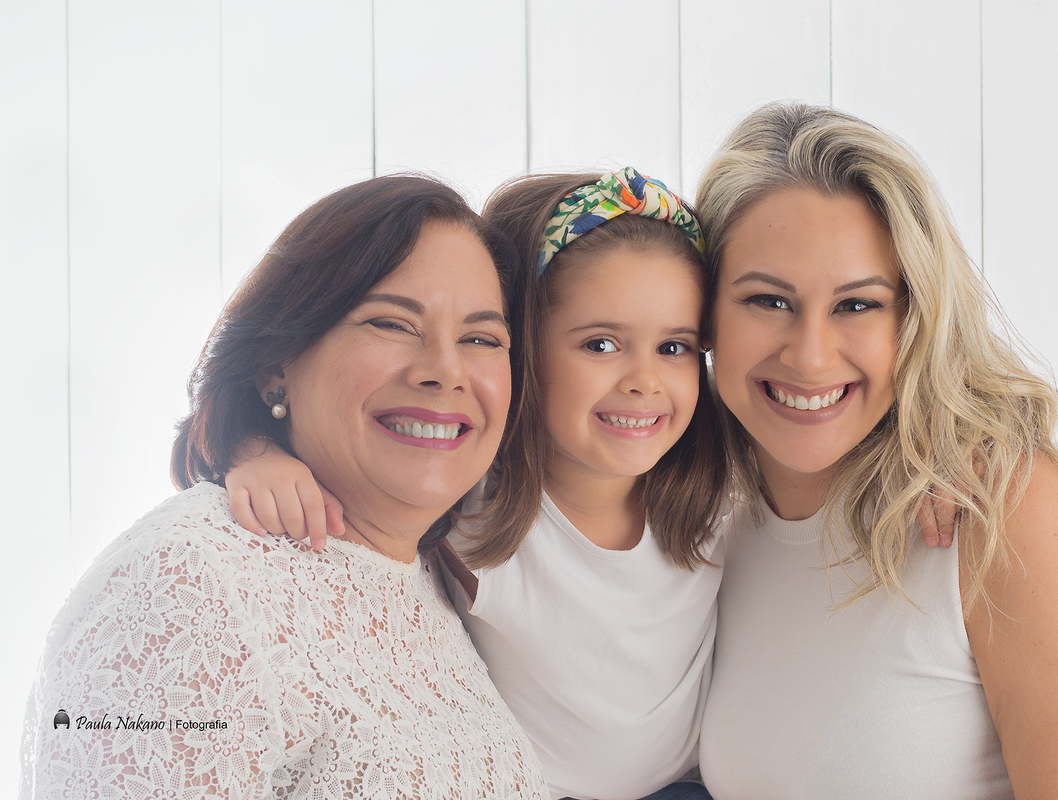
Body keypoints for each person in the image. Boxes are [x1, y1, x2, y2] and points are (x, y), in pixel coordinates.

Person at [20, 175, 546, 799]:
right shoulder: (186, 587)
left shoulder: (440, 578)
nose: (447, 370)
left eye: (481, 338)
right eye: (392, 323)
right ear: (277, 368)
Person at [693, 102, 1058, 799]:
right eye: (769, 301)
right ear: (703, 313)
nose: (811, 356)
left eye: (857, 305)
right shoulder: (699, 522)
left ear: (915, 316)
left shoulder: (997, 503)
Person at [226, 168, 731, 800]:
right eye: (601, 345)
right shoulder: (477, 493)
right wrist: (255, 451)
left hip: (692, 786)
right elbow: (331, 438)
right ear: (521, 352)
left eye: (675, 348)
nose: (644, 381)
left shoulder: (717, 489)